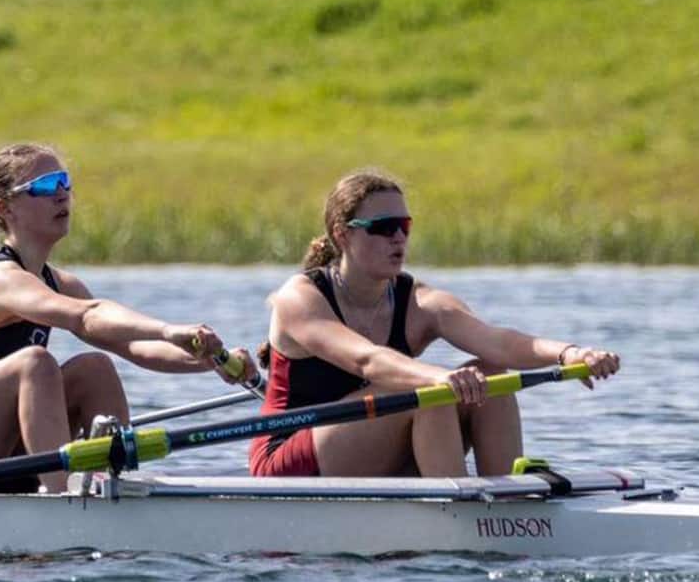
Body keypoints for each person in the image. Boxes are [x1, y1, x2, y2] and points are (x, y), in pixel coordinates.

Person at [0, 143, 256, 492]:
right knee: (35, 363)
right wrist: (169, 329)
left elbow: (135, 346)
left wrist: (211, 360)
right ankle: (61, 496)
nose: (61, 194)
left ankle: (106, 487)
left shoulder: (59, 283)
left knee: (96, 368)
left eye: (65, 183)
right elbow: (87, 316)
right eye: (45, 186)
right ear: (5, 209)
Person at [248, 169, 622, 478]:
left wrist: (569, 353)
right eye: (383, 226)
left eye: (404, 226)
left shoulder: (420, 302)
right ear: (342, 235)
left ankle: (509, 505)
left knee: (491, 373)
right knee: (426, 390)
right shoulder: (299, 298)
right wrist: (437, 379)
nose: (398, 238)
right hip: (287, 458)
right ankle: (458, 521)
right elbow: (368, 361)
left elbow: (500, 343)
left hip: (367, 442)